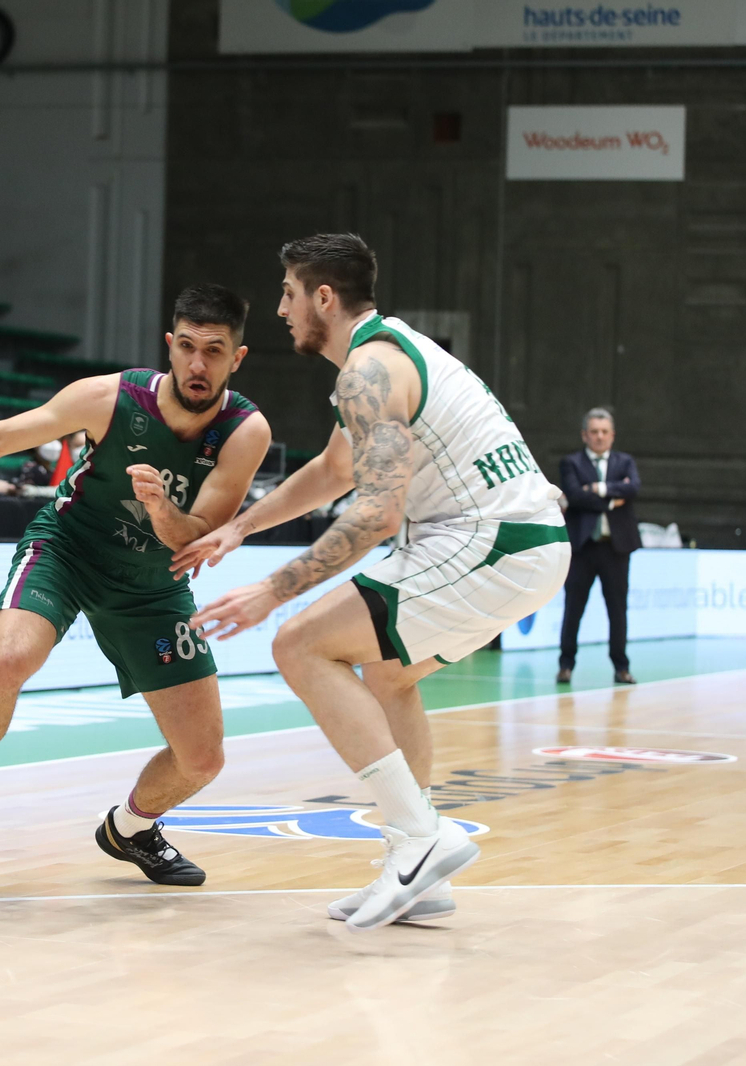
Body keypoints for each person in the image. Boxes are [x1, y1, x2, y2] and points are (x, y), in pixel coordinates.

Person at [182, 234, 570, 930]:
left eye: (289, 294)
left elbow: (378, 512)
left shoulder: (370, 371)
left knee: (299, 644)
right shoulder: (379, 359)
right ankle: (417, 869)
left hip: (491, 539)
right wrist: (241, 526)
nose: (280, 310)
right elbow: (336, 471)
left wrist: (272, 591)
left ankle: (420, 837)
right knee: (389, 677)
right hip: (518, 542)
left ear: (323, 298)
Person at [0, 283, 272, 886]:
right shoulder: (109, 397)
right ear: (170, 346)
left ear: (237, 357)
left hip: (154, 584)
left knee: (202, 759)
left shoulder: (245, 430)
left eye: (214, 350)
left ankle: (129, 829)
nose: (198, 364)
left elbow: (200, 533)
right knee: (8, 659)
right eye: (187, 347)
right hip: (68, 549)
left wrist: (163, 513)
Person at [556, 408, 640, 685]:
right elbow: (575, 496)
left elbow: (634, 489)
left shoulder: (625, 461)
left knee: (617, 610)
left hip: (615, 549)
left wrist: (597, 489)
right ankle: (566, 664)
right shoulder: (571, 463)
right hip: (582, 549)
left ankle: (621, 667)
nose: (599, 437)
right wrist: (613, 496)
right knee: (573, 609)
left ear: (612, 435)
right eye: (594, 432)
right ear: (585, 435)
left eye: (604, 432)